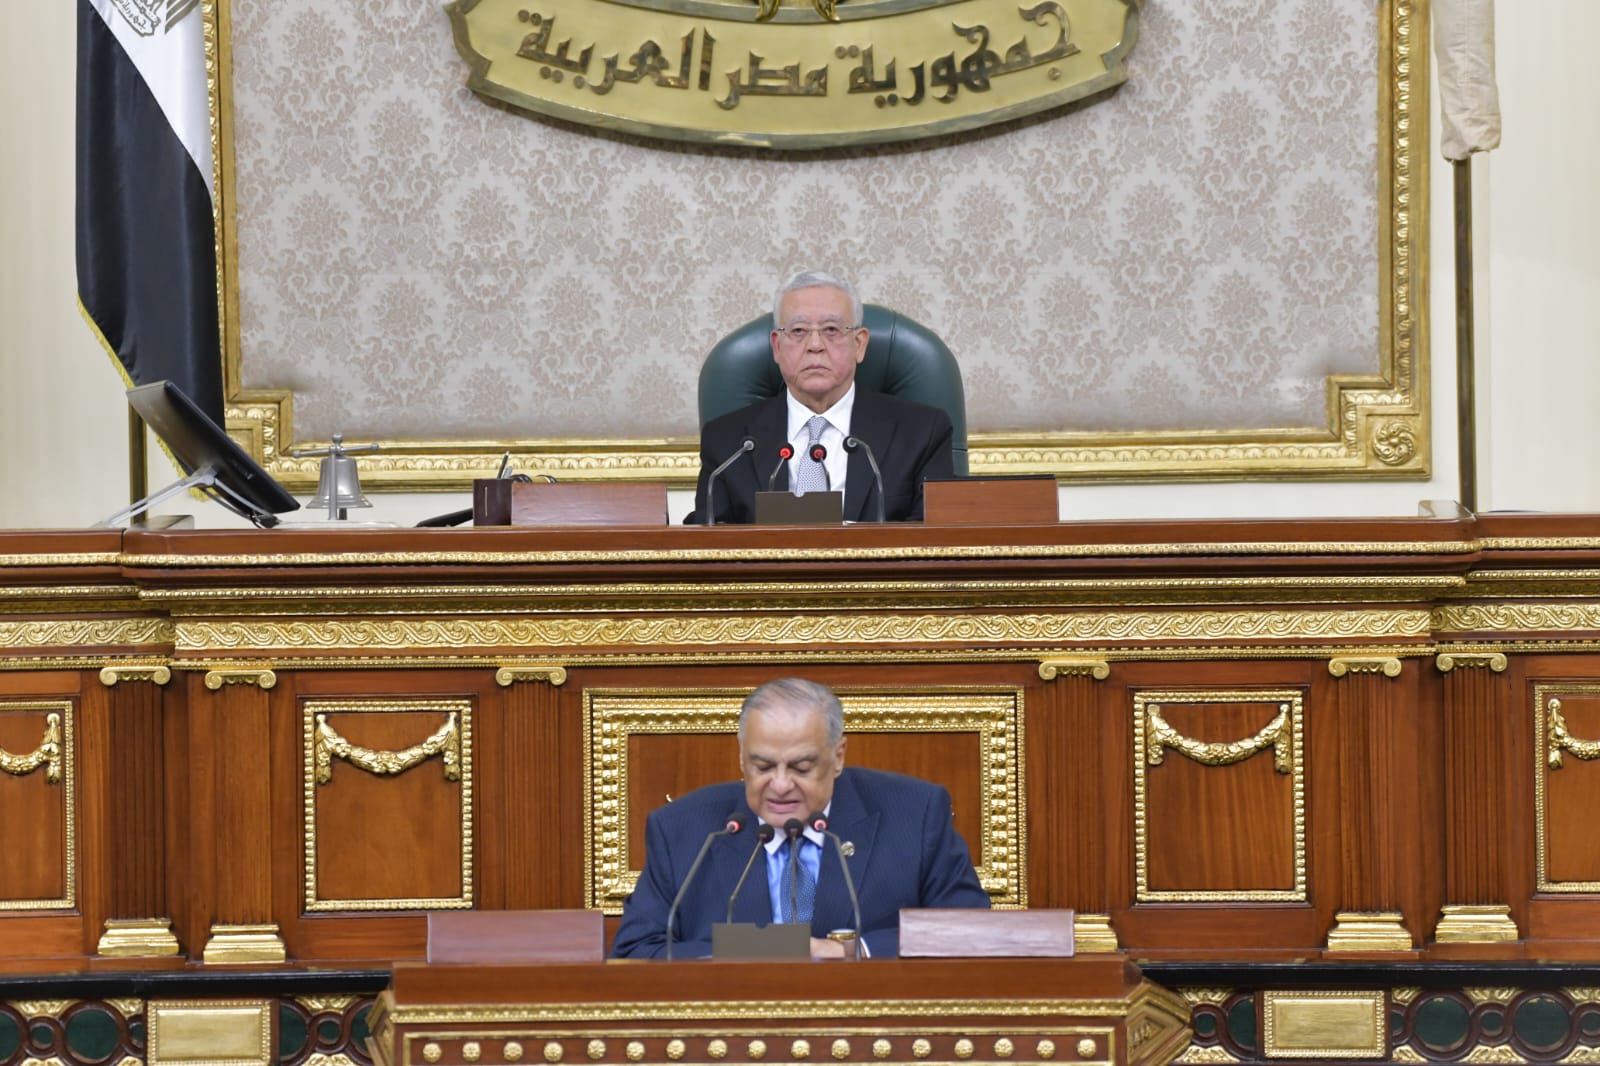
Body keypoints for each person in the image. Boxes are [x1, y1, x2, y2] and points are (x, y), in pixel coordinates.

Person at [610, 678, 990, 960]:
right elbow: (637, 950)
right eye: (762, 767)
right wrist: (755, 952)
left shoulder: (914, 814)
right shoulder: (683, 829)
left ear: (838, 756)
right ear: (741, 757)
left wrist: (852, 950)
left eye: (801, 768)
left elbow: (971, 933)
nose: (779, 785)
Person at [687, 271, 955, 524]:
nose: (815, 346)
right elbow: (706, 540)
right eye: (798, 331)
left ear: (859, 344)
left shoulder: (922, 432)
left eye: (831, 330)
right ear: (777, 346)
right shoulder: (728, 443)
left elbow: (937, 540)